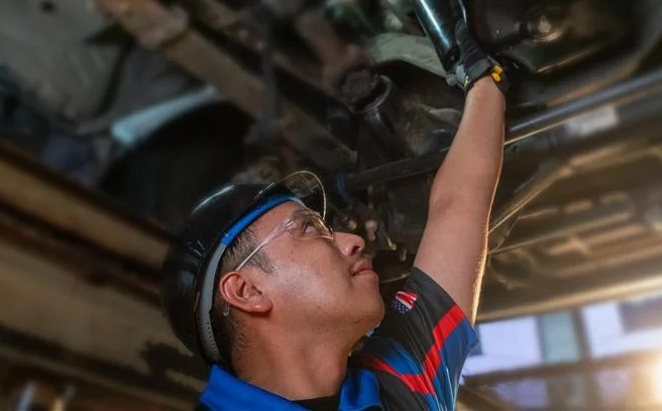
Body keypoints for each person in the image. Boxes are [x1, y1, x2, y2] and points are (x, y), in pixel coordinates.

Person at [161, 44, 508, 410]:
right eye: (308, 229)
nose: (353, 241)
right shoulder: (405, 395)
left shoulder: (401, 380)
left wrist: (486, 76)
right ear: (246, 290)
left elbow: (459, 202)